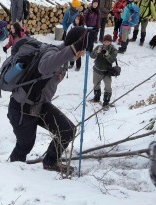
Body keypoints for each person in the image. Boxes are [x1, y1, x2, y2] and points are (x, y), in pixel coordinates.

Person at [7, 27, 92, 173]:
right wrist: (73, 49)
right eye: (82, 50)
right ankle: (12, 173)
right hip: (22, 108)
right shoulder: (53, 53)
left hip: (40, 105)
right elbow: (44, 67)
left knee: (67, 130)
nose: (82, 54)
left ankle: (50, 162)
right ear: (74, 45)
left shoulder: (63, 58)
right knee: (25, 145)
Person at [90, 35, 118, 109]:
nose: (106, 43)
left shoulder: (113, 50)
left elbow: (112, 60)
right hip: (96, 70)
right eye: (105, 42)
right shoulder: (98, 47)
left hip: (106, 72)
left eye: (108, 42)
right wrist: (97, 52)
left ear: (110, 42)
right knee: (96, 84)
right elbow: (91, 56)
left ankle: (106, 102)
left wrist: (107, 55)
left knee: (108, 87)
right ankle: (96, 98)